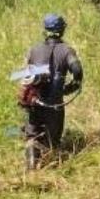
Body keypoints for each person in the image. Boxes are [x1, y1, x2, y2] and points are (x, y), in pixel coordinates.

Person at [24, 12, 83, 156]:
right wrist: (73, 86)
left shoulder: (34, 50)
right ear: (62, 30)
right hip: (54, 104)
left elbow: (26, 74)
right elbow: (77, 69)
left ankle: (31, 167)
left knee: (32, 136)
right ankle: (49, 163)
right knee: (52, 142)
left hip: (34, 101)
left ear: (45, 30)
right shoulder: (66, 50)